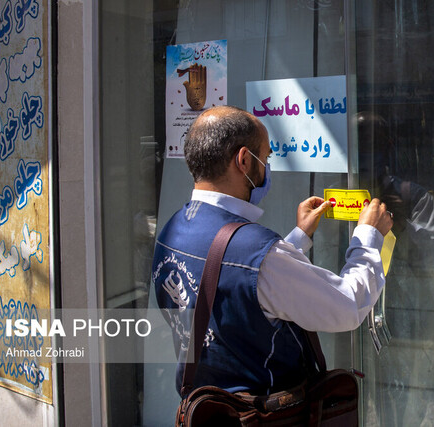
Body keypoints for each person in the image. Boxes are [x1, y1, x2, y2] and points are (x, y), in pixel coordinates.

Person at [152, 105, 393, 397]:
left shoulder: (171, 230)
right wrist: (368, 236)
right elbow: (348, 306)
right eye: (265, 157)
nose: (267, 167)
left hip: (208, 409)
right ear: (243, 159)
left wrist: (299, 237)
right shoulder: (258, 255)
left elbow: (238, 288)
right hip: (259, 412)